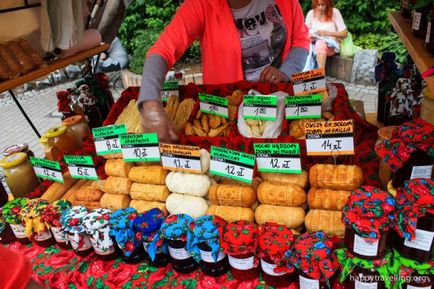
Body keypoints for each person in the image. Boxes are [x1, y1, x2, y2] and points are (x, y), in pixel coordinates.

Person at [138, 0, 310, 143]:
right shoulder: (202, 4)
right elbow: (162, 51)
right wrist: (150, 104)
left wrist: (286, 72)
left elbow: (300, 39)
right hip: (228, 109)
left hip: (277, 99)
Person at [305, 0, 348, 69]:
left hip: (331, 45)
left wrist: (327, 33)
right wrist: (310, 37)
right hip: (313, 44)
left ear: (328, 4)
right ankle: (312, 75)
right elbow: (304, 32)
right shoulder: (311, 13)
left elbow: (344, 33)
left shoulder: (335, 12)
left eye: (323, 5)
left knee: (320, 43)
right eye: (318, 5)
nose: (320, 8)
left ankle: (320, 74)